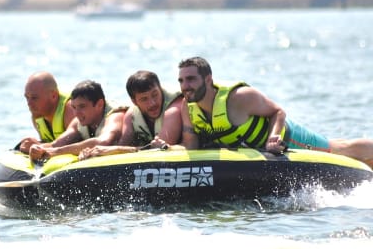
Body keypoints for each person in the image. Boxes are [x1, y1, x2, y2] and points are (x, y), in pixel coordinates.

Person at [152, 56, 373, 167]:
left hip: (286, 138)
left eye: (191, 79)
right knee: (339, 146)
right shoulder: (187, 109)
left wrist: (273, 139)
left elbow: (278, 112)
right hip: (255, 151)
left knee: (339, 150)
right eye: (181, 80)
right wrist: (167, 147)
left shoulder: (239, 98)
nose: (185, 86)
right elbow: (191, 145)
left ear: (208, 79)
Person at [79, 70, 183, 159]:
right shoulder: (131, 115)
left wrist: (116, 150)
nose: (152, 103)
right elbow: (124, 144)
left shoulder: (174, 108)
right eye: (144, 99)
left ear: (160, 89)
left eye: (155, 95)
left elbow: (161, 148)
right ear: (134, 102)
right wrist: (92, 152)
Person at [29, 80, 126, 161]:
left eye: (82, 106)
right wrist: (38, 149)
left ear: (99, 104)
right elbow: (56, 145)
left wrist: (56, 152)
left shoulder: (116, 115)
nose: (76, 113)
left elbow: (103, 142)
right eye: (74, 107)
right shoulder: (78, 121)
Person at [20, 71, 75, 153]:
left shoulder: (70, 110)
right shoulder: (36, 115)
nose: (29, 104)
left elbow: (75, 144)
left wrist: (39, 146)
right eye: (27, 98)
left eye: (34, 98)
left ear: (53, 96)